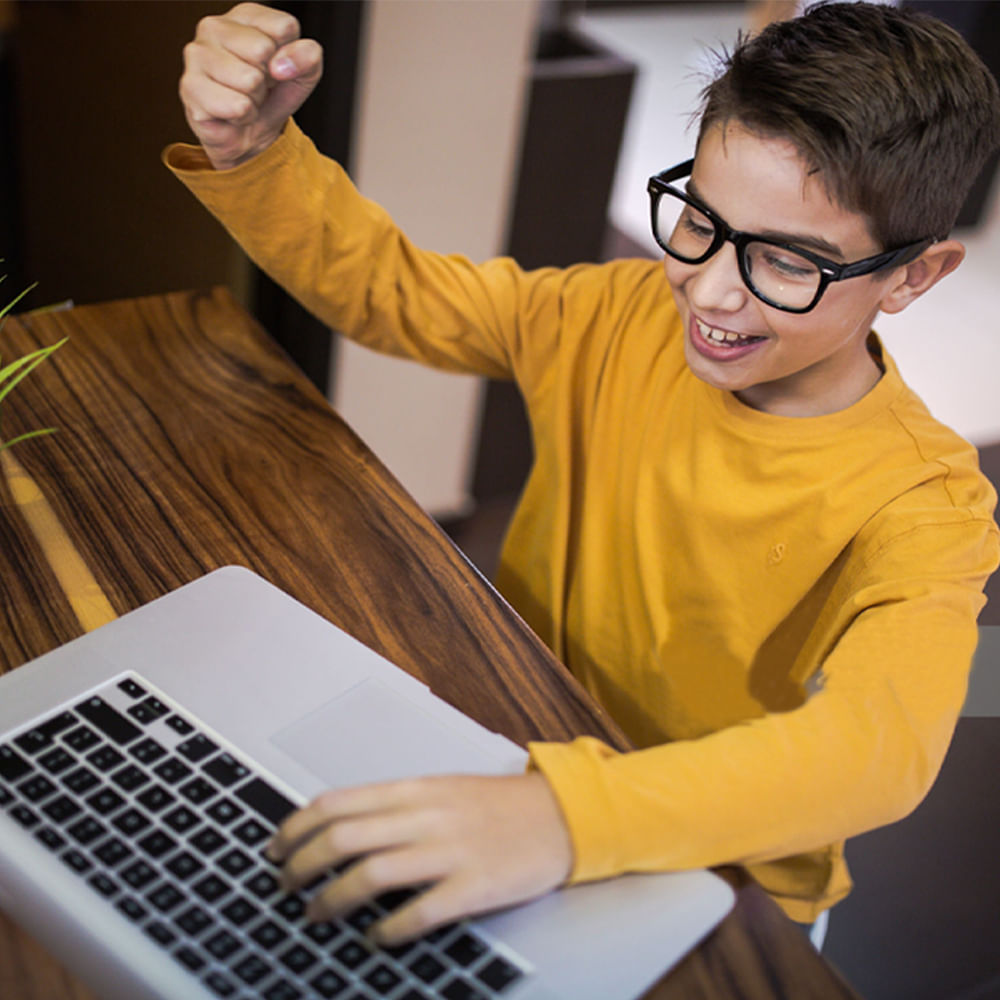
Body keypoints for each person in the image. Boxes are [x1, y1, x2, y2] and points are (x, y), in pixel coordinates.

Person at [166, 0, 1000, 947]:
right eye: (700, 222)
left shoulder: (928, 501)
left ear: (912, 277)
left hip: (722, 870)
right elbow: (393, 294)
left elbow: (874, 752)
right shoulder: (616, 312)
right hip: (516, 760)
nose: (714, 290)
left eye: (788, 263)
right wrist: (257, 152)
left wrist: (566, 820)